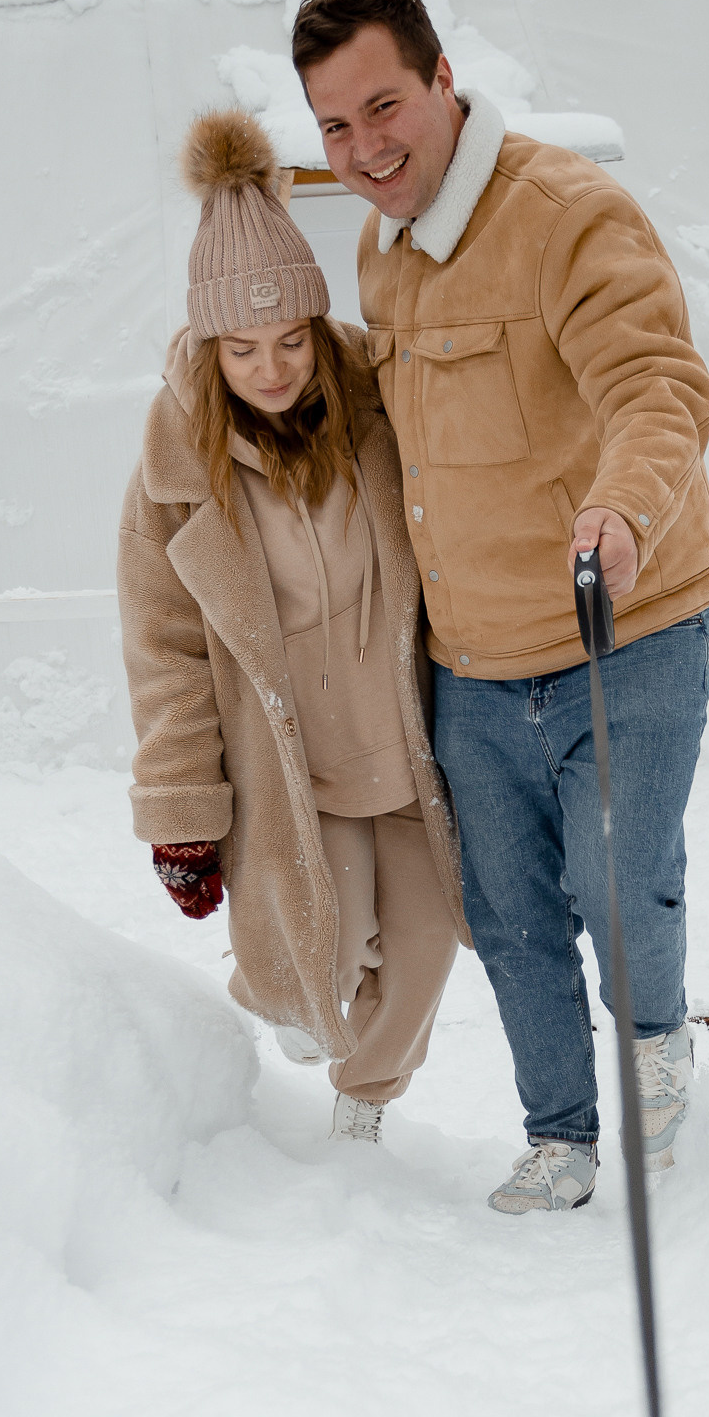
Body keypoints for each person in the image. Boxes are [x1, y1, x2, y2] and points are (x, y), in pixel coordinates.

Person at [291, 0, 709, 1218]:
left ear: (440, 80)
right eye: (333, 127)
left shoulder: (566, 215)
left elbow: (656, 384)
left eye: (382, 106)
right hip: (470, 657)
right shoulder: (381, 249)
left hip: (619, 621)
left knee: (613, 875)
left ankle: (652, 1064)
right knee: (510, 911)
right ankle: (560, 1136)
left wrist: (621, 509)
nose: (364, 147)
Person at [117, 108, 465, 1143]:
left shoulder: (376, 408)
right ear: (207, 348)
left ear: (315, 329)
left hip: (401, 741)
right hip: (291, 763)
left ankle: (362, 1109)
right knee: (319, 949)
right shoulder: (177, 472)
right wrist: (180, 805)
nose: (269, 370)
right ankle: (282, 999)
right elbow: (163, 647)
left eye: (287, 342)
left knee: (425, 945)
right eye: (240, 349)